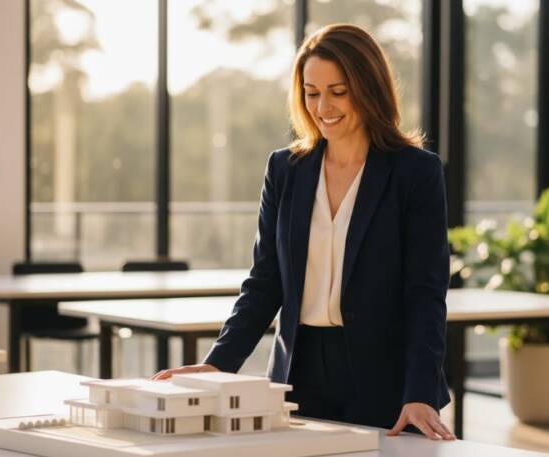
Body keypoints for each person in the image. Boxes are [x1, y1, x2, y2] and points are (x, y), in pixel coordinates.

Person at [152, 23, 453, 441]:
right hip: (300, 374)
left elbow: (425, 290)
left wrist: (420, 391)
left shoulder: (415, 172)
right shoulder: (285, 169)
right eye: (312, 92)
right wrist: (219, 365)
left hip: (387, 380)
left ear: (369, 88)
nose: (323, 105)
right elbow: (265, 281)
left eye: (338, 91)